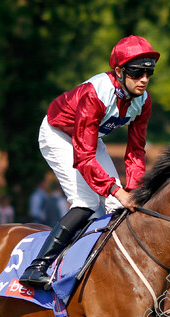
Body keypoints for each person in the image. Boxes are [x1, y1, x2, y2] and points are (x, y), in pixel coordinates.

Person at [20, 35, 160, 289]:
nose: (144, 80)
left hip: (88, 139)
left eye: (149, 73)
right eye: (137, 72)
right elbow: (83, 156)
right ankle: (37, 265)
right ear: (119, 71)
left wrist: (135, 191)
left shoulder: (143, 101)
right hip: (58, 134)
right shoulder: (95, 93)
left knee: (116, 206)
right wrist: (118, 190)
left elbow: (136, 150)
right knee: (86, 202)